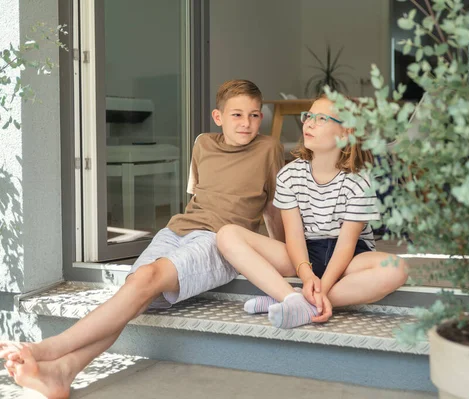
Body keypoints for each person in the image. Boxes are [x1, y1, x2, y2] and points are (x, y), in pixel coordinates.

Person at [0, 79, 284, 398]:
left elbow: (274, 209)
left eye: (254, 115)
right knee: (136, 290)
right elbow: (196, 197)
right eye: (237, 115)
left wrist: (280, 263)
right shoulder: (203, 143)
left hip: (220, 242)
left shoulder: (269, 149)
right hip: (177, 231)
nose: (246, 123)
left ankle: (50, 349)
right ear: (218, 117)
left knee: (145, 279)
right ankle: (63, 373)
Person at [217, 95, 408, 329]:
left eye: (321, 119)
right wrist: (307, 276)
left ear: (345, 133)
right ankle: (292, 296)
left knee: (397, 269)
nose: (309, 123)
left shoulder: (359, 181)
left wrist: (323, 286)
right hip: (303, 255)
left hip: (349, 257)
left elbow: (346, 245)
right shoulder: (289, 175)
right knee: (227, 235)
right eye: (308, 116)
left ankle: (302, 302)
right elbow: (294, 237)